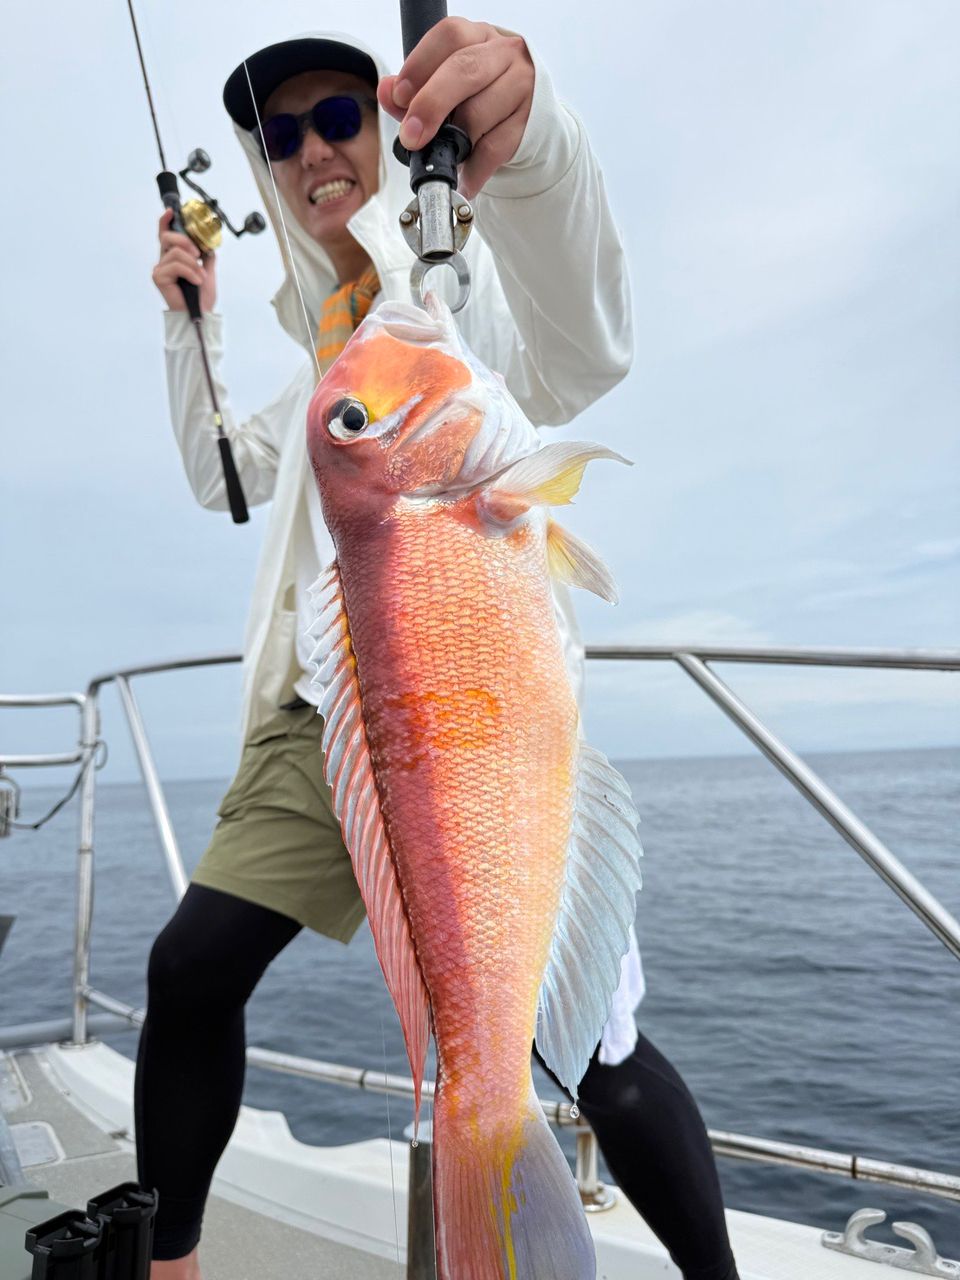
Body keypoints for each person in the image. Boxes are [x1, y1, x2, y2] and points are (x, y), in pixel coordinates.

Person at [138, 20, 739, 1280]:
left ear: (398, 120)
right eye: (282, 135)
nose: (312, 153)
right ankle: (172, 1259)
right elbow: (222, 478)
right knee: (189, 967)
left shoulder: (457, 302)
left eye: (338, 118)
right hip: (335, 727)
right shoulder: (325, 352)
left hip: (478, 723)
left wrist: (532, 148)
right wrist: (187, 328)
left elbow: (589, 341)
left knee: (597, 1050)